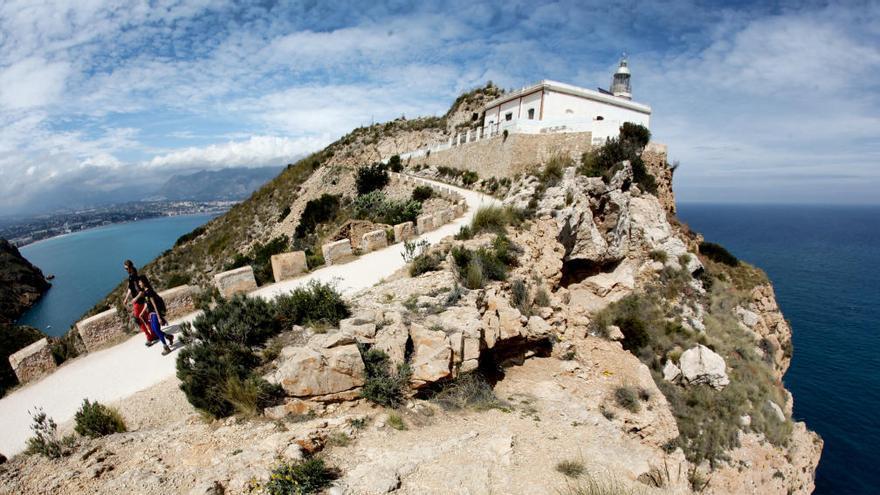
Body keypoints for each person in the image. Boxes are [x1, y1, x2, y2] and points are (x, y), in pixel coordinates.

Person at [136, 276, 175, 355]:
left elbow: (154, 305)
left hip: (154, 313)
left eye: (140, 282)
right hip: (151, 313)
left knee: (156, 330)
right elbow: (147, 304)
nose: (139, 284)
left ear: (144, 282)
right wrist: (142, 313)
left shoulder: (149, 292)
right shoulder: (145, 292)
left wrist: (159, 317)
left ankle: (166, 347)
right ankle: (169, 336)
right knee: (154, 330)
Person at [122, 260, 157, 346]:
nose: (125, 270)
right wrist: (126, 298)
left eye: (126, 268)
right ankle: (153, 334)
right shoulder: (131, 276)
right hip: (139, 301)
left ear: (130, 267)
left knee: (138, 320)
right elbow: (130, 288)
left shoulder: (135, 278)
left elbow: (141, 292)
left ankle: (149, 337)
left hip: (139, 302)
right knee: (145, 318)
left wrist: (135, 299)